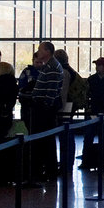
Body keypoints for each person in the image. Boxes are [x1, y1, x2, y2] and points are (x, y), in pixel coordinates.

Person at [30, 41, 63, 181]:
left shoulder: (53, 67)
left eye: (40, 49)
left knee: (45, 140)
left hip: (45, 110)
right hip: (42, 107)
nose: (38, 52)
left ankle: (48, 171)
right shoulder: (48, 66)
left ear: (47, 51)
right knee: (44, 140)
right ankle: (45, 170)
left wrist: (45, 106)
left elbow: (51, 90)